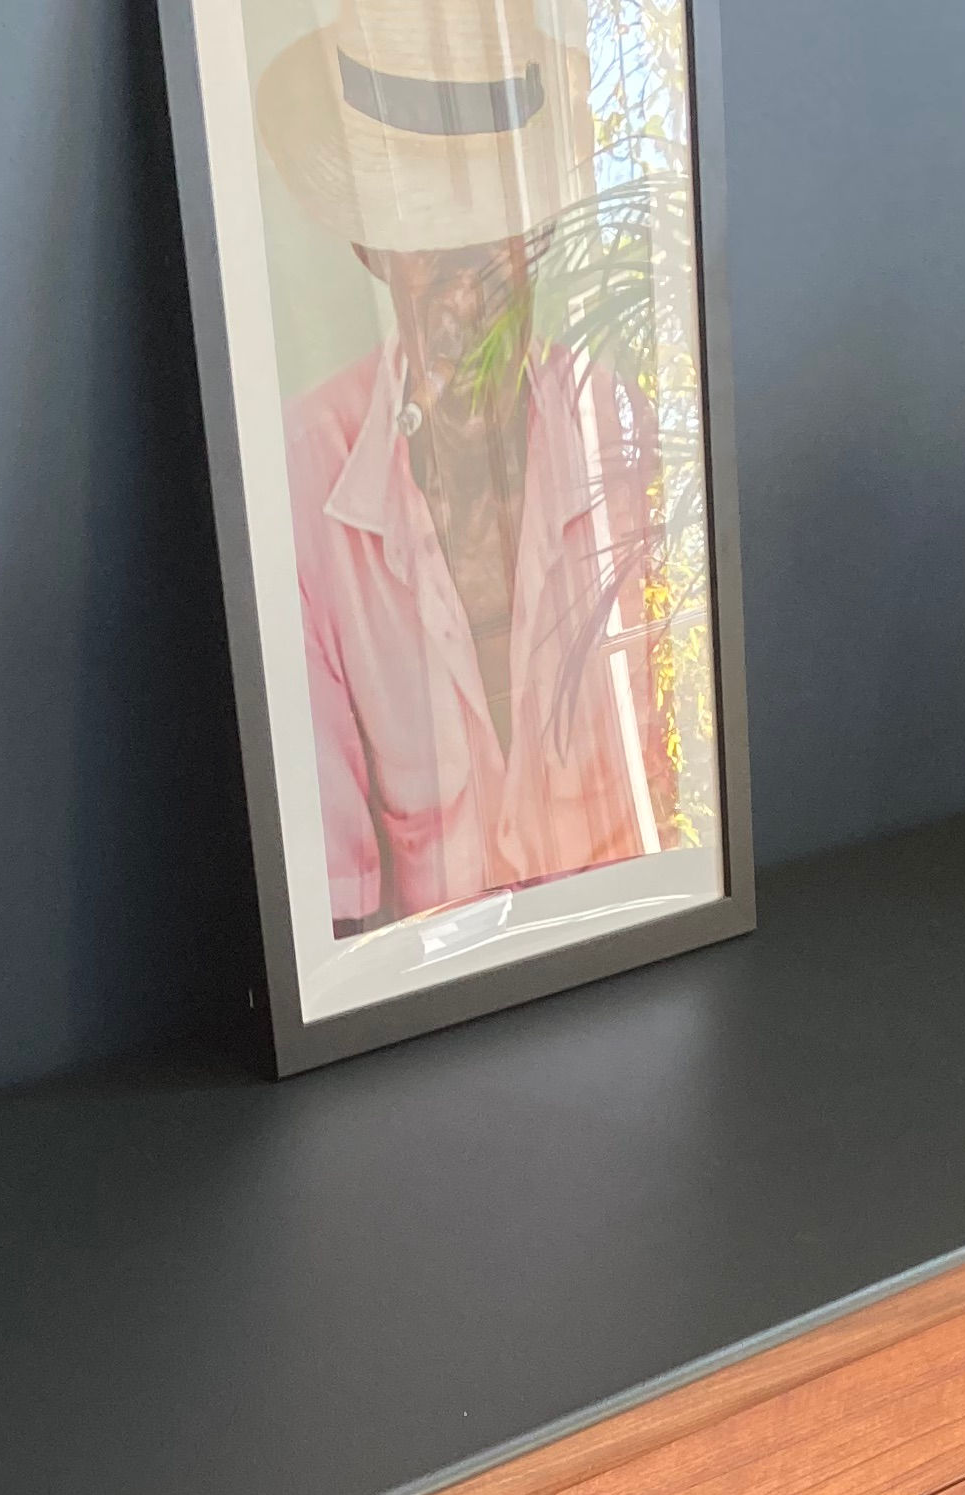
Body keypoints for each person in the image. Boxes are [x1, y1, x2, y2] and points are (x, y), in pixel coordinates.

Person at [255, 4, 686, 935]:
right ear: (373, 250)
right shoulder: (301, 482)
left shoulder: (619, 430)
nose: (469, 291)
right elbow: (337, 917)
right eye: (431, 241)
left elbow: (684, 800)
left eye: (494, 237)